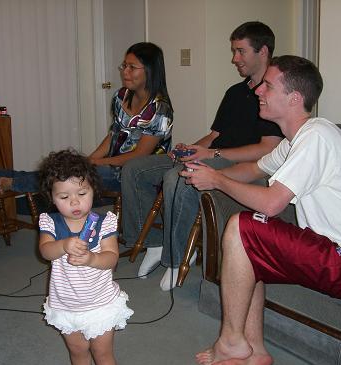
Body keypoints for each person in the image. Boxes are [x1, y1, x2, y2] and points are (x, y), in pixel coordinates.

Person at [184, 55, 341, 365]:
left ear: (294, 98)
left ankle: (232, 340)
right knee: (249, 246)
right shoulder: (295, 141)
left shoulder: (317, 136)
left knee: (243, 225)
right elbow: (254, 169)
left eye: (268, 85)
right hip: (331, 251)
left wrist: (219, 181)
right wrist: (211, 172)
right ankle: (255, 350)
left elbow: (270, 204)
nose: (258, 92)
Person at [121, 21, 283, 291]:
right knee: (135, 169)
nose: (235, 59)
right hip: (214, 153)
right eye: (234, 51)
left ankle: (177, 257)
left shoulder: (273, 95)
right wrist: (190, 149)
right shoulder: (235, 93)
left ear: (263, 51)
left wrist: (211, 153)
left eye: (241, 51)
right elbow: (214, 135)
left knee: (178, 178)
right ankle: (153, 242)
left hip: (244, 165)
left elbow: (268, 148)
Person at [0, 42, 173, 194]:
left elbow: (140, 156)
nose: (125, 71)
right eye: (124, 65)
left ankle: (12, 182)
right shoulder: (121, 96)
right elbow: (114, 134)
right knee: (66, 167)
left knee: (67, 176)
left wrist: (97, 163)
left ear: (150, 71)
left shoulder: (160, 109)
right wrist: (89, 160)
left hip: (135, 174)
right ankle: (4, 176)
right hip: (112, 167)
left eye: (132, 67)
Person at [38, 148, 133, 365]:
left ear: (93, 189)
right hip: (66, 304)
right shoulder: (50, 222)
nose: (74, 202)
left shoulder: (103, 222)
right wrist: (63, 245)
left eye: (82, 192)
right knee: (78, 351)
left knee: (102, 353)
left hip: (100, 303)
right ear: (51, 197)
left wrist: (92, 258)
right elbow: (45, 251)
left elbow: (111, 257)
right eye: (64, 197)